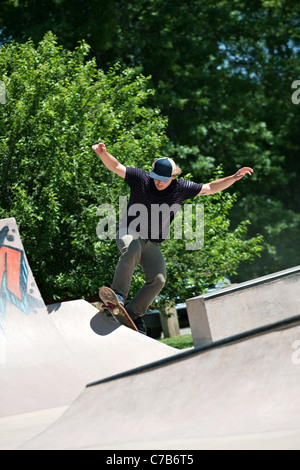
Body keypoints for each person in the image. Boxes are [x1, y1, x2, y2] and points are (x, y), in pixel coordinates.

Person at [92, 142, 253, 333]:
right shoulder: (141, 178)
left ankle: (133, 314)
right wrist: (103, 154)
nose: (158, 183)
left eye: (163, 180)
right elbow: (116, 166)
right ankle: (117, 296)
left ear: (173, 177)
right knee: (132, 248)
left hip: (152, 242)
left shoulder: (181, 188)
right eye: (156, 178)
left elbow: (210, 187)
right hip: (129, 230)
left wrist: (234, 178)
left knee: (158, 280)